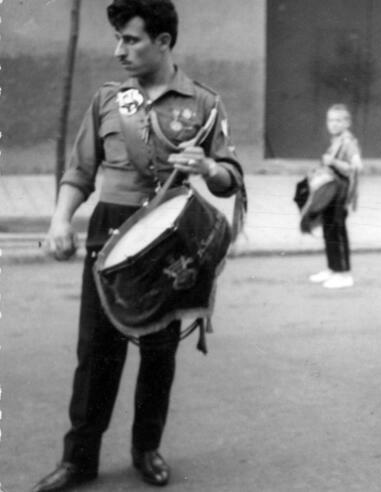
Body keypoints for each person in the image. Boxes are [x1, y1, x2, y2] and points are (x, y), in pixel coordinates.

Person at [33, 1, 244, 490]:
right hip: (109, 228)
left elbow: (230, 177)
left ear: (164, 41)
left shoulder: (204, 104)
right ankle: (79, 459)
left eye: (131, 40)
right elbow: (80, 172)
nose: (118, 51)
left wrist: (207, 170)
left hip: (170, 237)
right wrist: (61, 219)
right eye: (118, 39)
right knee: (97, 351)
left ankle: (146, 449)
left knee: (158, 351)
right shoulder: (108, 99)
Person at [308, 104, 363, 289]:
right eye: (331, 120)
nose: (334, 124)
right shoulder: (337, 140)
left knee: (337, 231)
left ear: (347, 123)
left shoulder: (349, 142)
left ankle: (344, 273)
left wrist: (333, 162)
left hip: (340, 191)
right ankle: (332, 268)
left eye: (339, 120)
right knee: (329, 230)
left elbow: (356, 166)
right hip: (331, 192)